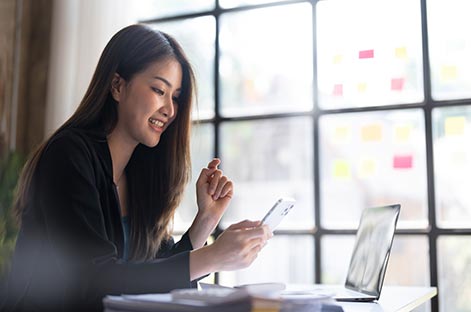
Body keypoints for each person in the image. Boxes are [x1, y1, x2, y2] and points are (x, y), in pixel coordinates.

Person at [1, 24, 272, 311]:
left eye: (176, 97)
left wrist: (205, 221)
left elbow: (148, 273)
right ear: (117, 86)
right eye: (159, 90)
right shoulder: (68, 155)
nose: (170, 109)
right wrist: (214, 257)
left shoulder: (139, 174)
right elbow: (94, 281)